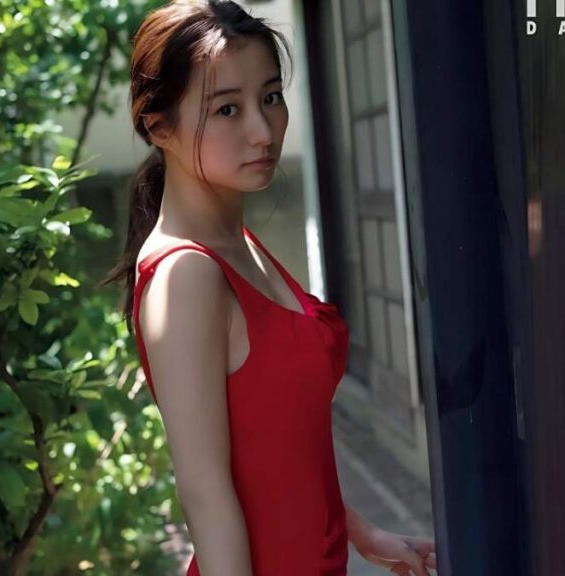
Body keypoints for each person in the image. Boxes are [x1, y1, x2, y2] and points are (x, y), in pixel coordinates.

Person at [100, 2, 436, 574]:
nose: (263, 130)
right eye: (227, 109)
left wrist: (364, 532)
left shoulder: (240, 243)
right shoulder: (186, 276)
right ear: (159, 127)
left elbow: (280, 449)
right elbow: (205, 495)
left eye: (271, 97)